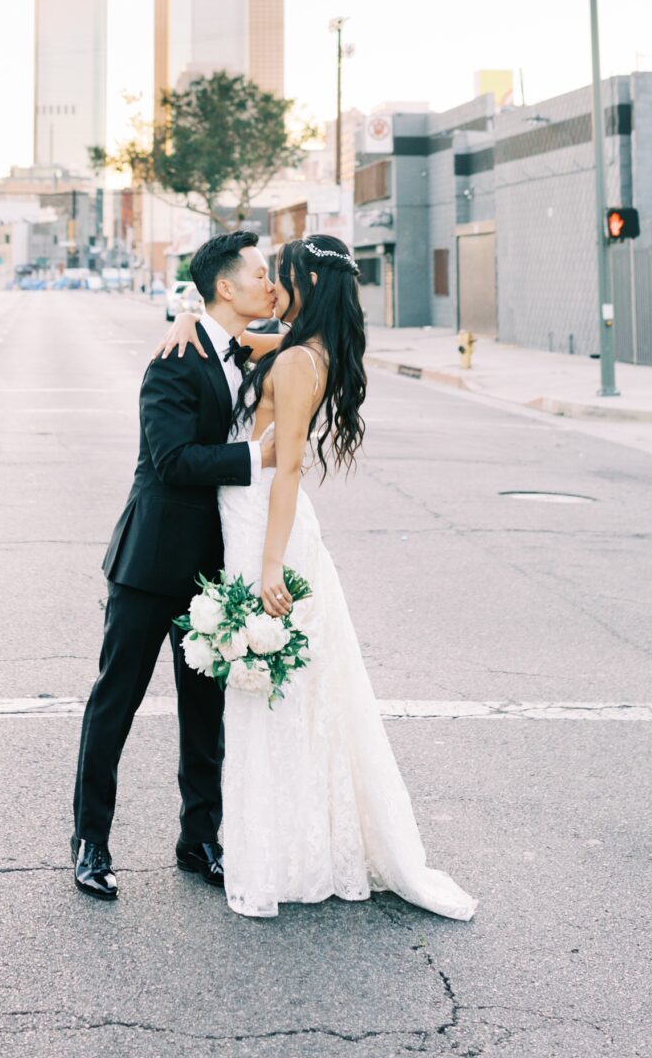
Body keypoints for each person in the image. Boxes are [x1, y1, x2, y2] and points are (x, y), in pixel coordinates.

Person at [159, 234, 476, 922]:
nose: (272, 285)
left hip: (265, 527)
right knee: (281, 697)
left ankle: (288, 852)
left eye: (282, 276)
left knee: (277, 697)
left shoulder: (301, 360)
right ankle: (279, 841)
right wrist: (190, 313)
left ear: (307, 284)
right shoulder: (296, 349)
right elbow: (231, 343)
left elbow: (289, 467)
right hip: (249, 517)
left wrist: (270, 564)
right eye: (263, 275)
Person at [71, 230, 277, 900]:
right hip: (149, 560)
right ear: (225, 286)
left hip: (210, 568)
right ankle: (91, 842)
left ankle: (200, 840)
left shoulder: (244, 353)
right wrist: (256, 458)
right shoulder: (173, 362)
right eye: (258, 273)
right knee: (114, 705)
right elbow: (171, 460)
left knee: (204, 711)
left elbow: (312, 323)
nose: (268, 283)